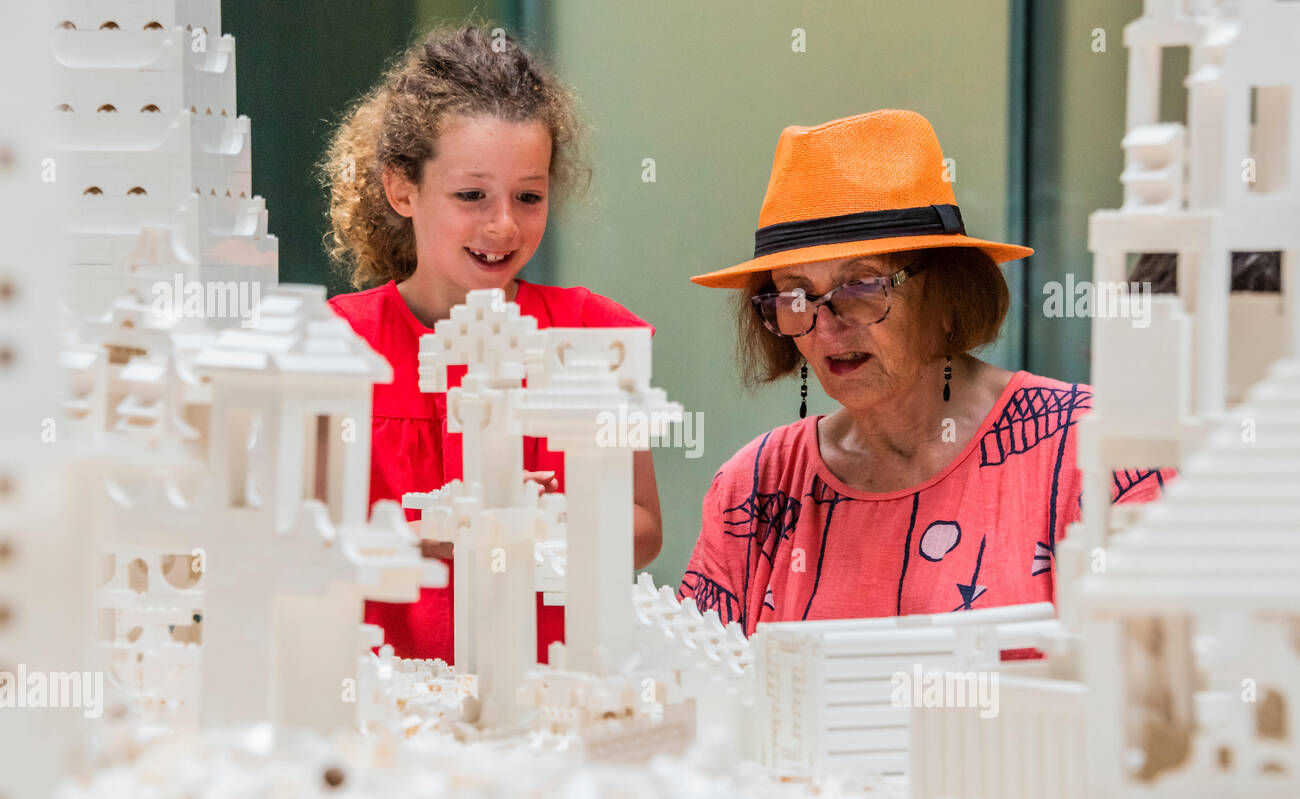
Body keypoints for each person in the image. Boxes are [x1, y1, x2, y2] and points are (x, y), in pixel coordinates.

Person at [679, 109, 1175, 638]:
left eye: (861, 286)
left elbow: (1157, 688)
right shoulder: (754, 486)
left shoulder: (1100, 447)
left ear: (946, 295)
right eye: (796, 294)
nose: (825, 327)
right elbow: (704, 689)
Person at [323, 25, 663, 662]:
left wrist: (549, 520)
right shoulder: (337, 345)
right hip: (386, 704)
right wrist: (415, 535)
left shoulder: (593, 337)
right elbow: (300, 537)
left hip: (548, 699)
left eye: (528, 196)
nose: (503, 224)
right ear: (402, 188)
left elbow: (643, 529)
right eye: (471, 195)